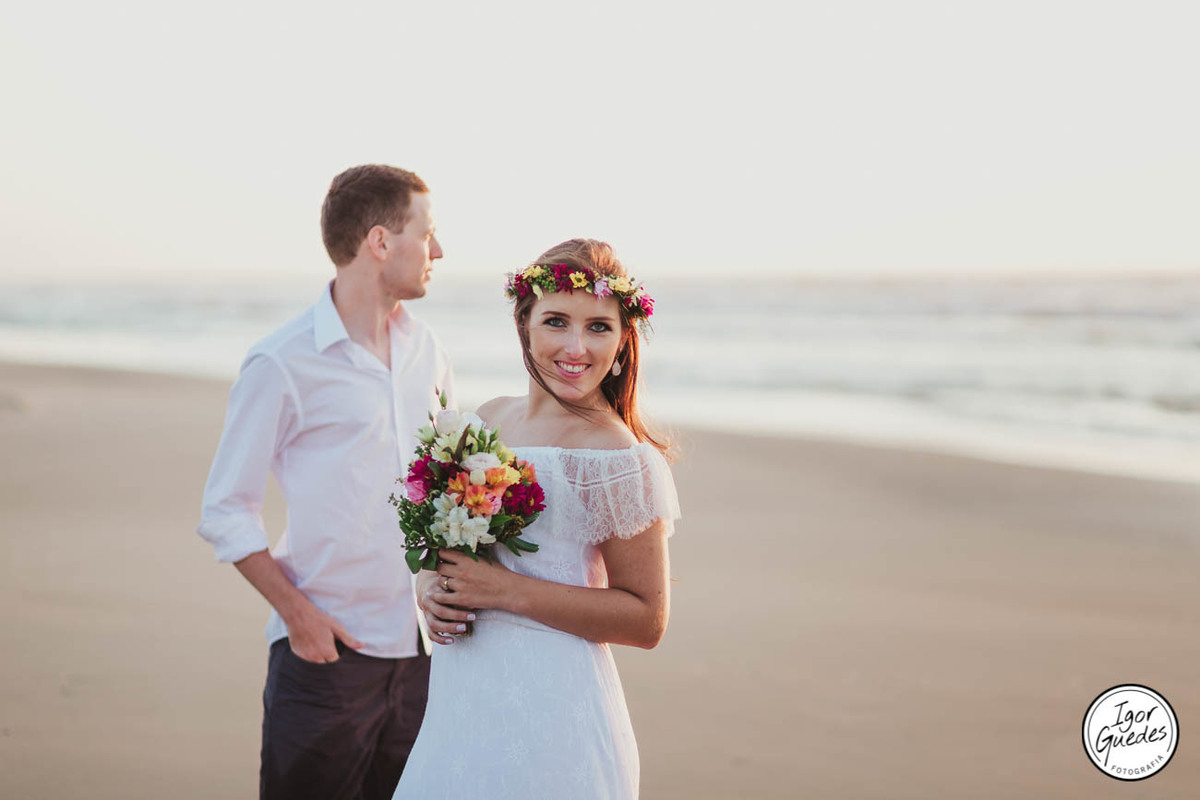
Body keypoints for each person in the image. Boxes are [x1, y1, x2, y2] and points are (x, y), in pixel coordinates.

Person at [197, 164, 453, 800]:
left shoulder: (428, 352)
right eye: (427, 233)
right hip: (327, 660)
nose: (439, 251)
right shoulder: (281, 361)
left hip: (426, 656)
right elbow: (226, 508)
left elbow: (445, 488)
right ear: (379, 241)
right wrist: (299, 617)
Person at [394, 239, 681, 799]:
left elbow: (647, 620)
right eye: (556, 321)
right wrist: (428, 584)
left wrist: (504, 590)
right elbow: (442, 548)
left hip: (555, 718)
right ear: (523, 324)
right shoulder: (485, 421)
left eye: (598, 327)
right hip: (459, 708)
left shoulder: (618, 456)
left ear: (622, 340)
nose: (576, 347)